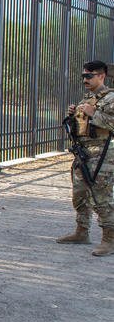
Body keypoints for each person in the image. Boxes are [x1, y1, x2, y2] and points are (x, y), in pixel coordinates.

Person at [56, 60, 114, 256]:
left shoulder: (111, 98)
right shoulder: (87, 98)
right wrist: (72, 116)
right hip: (84, 153)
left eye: (89, 76)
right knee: (79, 194)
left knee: (101, 196)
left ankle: (109, 239)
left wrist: (94, 114)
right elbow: (79, 128)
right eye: (83, 76)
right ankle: (82, 232)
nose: (85, 79)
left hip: (103, 154)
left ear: (101, 76)